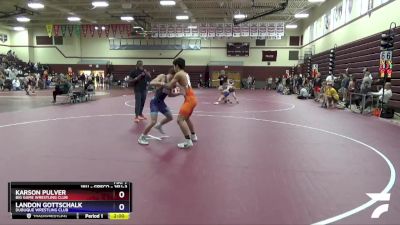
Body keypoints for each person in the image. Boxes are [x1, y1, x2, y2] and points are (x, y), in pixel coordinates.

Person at [138, 68, 181, 145]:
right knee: (153, 122)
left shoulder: (172, 83)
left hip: (161, 103)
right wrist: (160, 83)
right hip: (154, 102)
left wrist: (178, 94)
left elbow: (170, 95)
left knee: (170, 117)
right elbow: (151, 82)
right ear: (173, 74)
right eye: (175, 77)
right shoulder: (162, 76)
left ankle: (159, 125)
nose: (176, 79)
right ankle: (142, 137)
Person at [166, 57, 198, 149]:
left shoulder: (178, 74)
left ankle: (188, 141)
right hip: (193, 98)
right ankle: (193, 136)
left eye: (174, 66)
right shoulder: (185, 74)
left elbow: (169, 85)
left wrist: (159, 83)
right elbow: (181, 85)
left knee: (180, 120)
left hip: (189, 100)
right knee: (186, 118)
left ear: (176, 65)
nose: (174, 68)